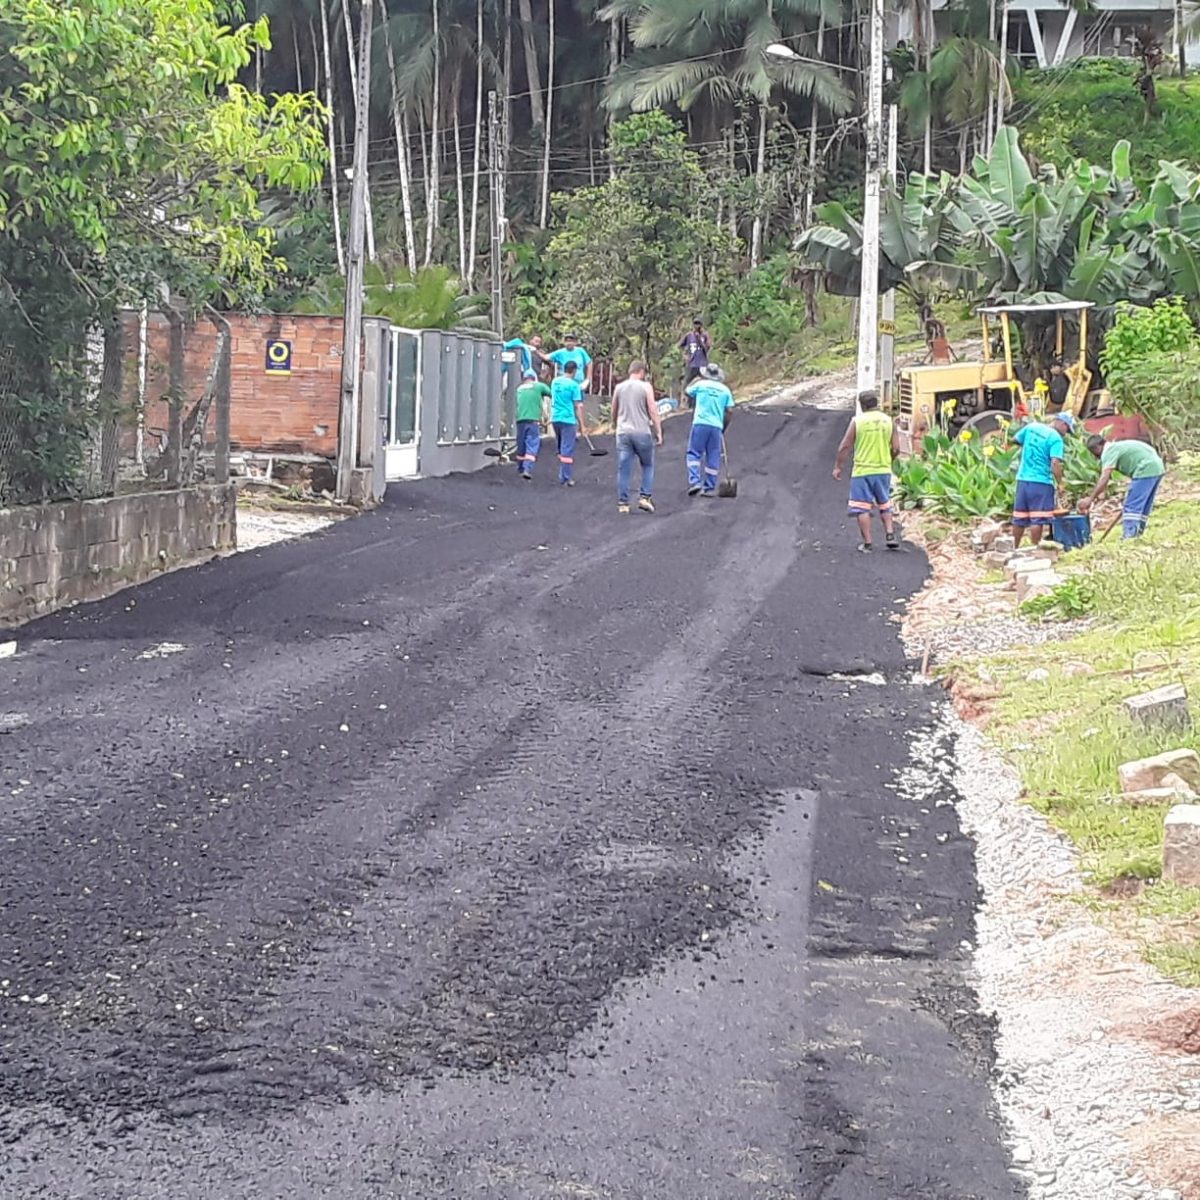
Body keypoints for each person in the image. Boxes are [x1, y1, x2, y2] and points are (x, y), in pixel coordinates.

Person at [832, 389, 901, 552]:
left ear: (861, 405)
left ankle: (868, 543)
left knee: (862, 507)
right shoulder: (888, 421)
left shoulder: (858, 422)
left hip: (862, 471)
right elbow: (897, 448)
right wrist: (890, 460)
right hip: (883, 470)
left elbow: (845, 446)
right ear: (876, 403)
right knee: (885, 503)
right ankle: (890, 534)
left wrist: (838, 466)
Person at [1079, 435, 1166, 538]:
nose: (1095, 455)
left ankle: (1129, 536)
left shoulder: (1108, 451)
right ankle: (1138, 533)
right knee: (1142, 505)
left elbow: (1104, 478)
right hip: (1157, 468)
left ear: (1101, 445)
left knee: (1132, 506)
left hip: (1145, 469)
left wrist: (1090, 499)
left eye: (1095, 450)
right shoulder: (1117, 447)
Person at [1010, 413, 1075, 548]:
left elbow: (1014, 439)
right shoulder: (1055, 438)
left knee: (1019, 518)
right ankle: (1035, 549)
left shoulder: (1031, 427)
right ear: (1062, 424)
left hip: (1022, 480)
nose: (1066, 434)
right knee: (1037, 518)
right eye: (1067, 430)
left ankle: (1013, 548)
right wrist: (1060, 483)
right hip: (1041, 482)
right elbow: (1055, 463)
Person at [612, 361, 663, 514]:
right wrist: (658, 431)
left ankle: (623, 503)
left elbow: (614, 409)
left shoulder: (619, 387)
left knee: (624, 469)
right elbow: (652, 409)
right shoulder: (646, 387)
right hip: (642, 431)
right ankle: (644, 497)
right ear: (641, 372)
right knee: (647, 465)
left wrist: (615, 424)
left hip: (623, 432)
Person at [684, 363, 734, 497]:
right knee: (713, 454)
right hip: (716, 426)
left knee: (693, 453)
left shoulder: (701, 385)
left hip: (700, 423)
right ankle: (709, 487)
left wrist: (696, 379)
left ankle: (695, 482)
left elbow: (687, 391)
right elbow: (729, 410)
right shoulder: (725, 390)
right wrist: (724, 425)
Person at [550, 360, 587, 486]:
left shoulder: (555, 382)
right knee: (567, 449)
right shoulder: (574, 385)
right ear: (575, 371)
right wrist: (582, 426)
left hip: (555, 418)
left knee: (561, 447)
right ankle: (565, 477)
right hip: (568, 419)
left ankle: (563, 472)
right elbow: (578, 406)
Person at [514, 369, 551, 480]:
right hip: (533, 420)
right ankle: (527, 469)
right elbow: (551, 393)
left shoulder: (519, 388)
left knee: (521, 445)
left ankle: (520, 468)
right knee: (532, 444)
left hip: (520, 420)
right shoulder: (539, 386)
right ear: (534, 378)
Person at [679, 319, 712, 386]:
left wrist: (699, 340)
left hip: (702, 364)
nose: (697, 326)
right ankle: (684, 395)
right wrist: (684, 355)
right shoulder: (689, 335)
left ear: (701, 325)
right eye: (695, 324)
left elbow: (707, 348)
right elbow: (680, 345)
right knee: (687, 382)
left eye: (698, 324)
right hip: (692, 363)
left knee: (705, 382)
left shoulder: (705, 335)